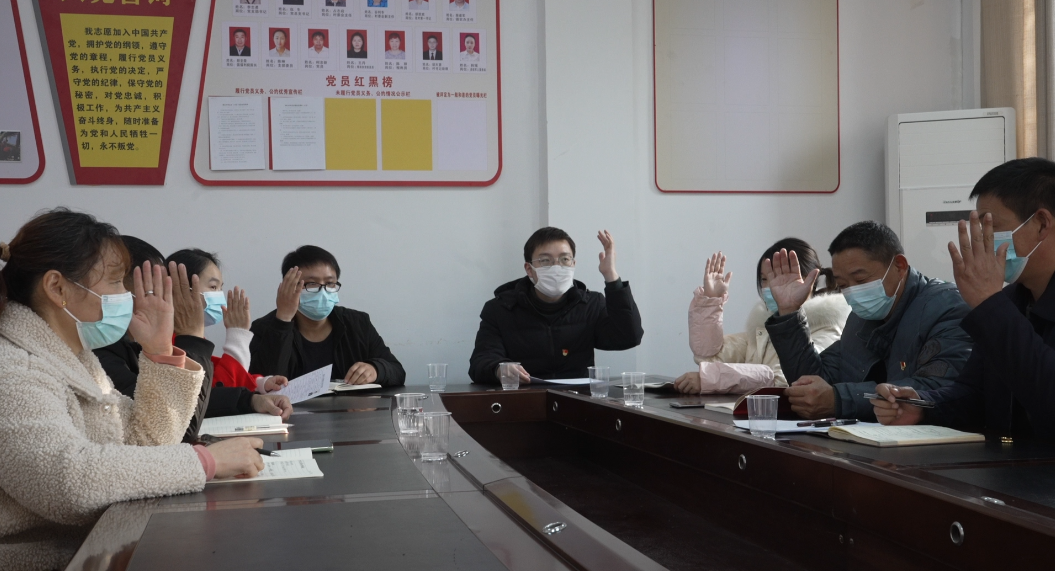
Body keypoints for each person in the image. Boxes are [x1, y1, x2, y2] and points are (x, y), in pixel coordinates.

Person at [0, 209, 262, 570]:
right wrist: (205, 462)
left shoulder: (77, 359)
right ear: (57, 288)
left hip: (95, 550)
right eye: (116, 283)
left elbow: (146, 444)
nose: (128, 296)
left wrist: (159, 352)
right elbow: (65, 480)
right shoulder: (13, 368)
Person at [872, 158, 1055, 439]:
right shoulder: (1011, 300)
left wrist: (990, 305)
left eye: (991, 227)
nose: (982, 240)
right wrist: (923, 406)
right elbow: (976, 393)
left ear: (1042, 224)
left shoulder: (997, 304)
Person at [763, 221, 972, 420]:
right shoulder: (859, 318)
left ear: (899, 266)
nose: (853, 292)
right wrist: (789, 312)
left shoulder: (947, 307)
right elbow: (814, 386)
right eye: (844, 285)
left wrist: (840, 400)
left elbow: (937, 389)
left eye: (861, 280)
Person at [95, 240, 290, 432]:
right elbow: (180, 417)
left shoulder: (137, 344)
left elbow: (203, 387)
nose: (164, 296)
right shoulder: (105, 353)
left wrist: (253, 394)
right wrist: (197, 335)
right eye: (155, 287)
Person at [468, 228, 644, 384]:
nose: (556, 267)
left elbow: (628, 337)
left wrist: (611, 276)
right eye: (545, 260)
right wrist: (499, 369)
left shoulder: (590, 304)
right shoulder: (500, 309)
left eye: (565, 259)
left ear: (573, 264)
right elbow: (480, 362)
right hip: (524, 399)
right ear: (529, 269)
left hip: (578, 401)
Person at [674, 240, 850, 395]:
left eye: (780, 277)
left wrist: (711, 378)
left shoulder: (828, 327)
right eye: (764, 279)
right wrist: (711, 302)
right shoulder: (761, 328)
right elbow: (709, 359)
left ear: (809, 280)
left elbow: (784, 380)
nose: (770, 287)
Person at [250, 245, 406, 386]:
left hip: (350, 408)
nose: (323, 292)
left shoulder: (358, 323)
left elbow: (397, 372)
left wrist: (376, 370)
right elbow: (262, 384)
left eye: (330, 283)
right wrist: (283, 320)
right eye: (311, 284)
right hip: (291, 409)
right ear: (289, 286)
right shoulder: (263, 329)